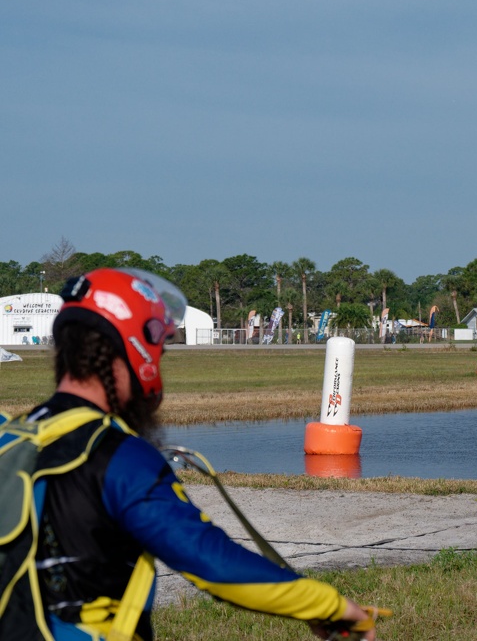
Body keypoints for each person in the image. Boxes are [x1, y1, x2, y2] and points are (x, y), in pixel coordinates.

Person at [4, 268, 380, 640]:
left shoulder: (10, 438)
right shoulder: (117, 455)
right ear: (139, 349)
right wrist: (328, 605)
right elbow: (212, 563)